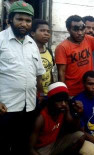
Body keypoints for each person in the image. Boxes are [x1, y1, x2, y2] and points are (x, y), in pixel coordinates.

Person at [0, 2, 45, 154]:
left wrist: (40, 94)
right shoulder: (1, 41)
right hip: (6, 107)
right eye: (19, 19)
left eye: (28, 20)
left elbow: (38, 73)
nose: (24, 24)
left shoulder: (32, 43)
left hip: (29, 106)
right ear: (10, 19)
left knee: (23, 145)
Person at [55, 15, 94, 97]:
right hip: (73, 92)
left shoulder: (88, 39)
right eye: (75, 29)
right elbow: (61, 73)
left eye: (82, 29)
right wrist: (63, 93)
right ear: (68, 30)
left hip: (89, 89)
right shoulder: (62, 47)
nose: (80, 33)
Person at [29, 82, 86, 155]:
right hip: (41, 150)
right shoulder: (41, 118)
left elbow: (74, 128)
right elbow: (30, 148)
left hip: (55, 144)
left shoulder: (63, 109)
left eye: (65, 100)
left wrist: (78, 114)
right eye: (59, 100)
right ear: (51, 101)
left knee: (80, 135)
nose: (63, 104)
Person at [30, 19, 54, 97]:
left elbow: (50, 72)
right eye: (42, 30)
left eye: (48, 31)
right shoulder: (28, 52)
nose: (46, 34)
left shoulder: (49, 51)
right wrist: (40, 94)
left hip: (48, 93)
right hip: (34, 95)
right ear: (33, 33)